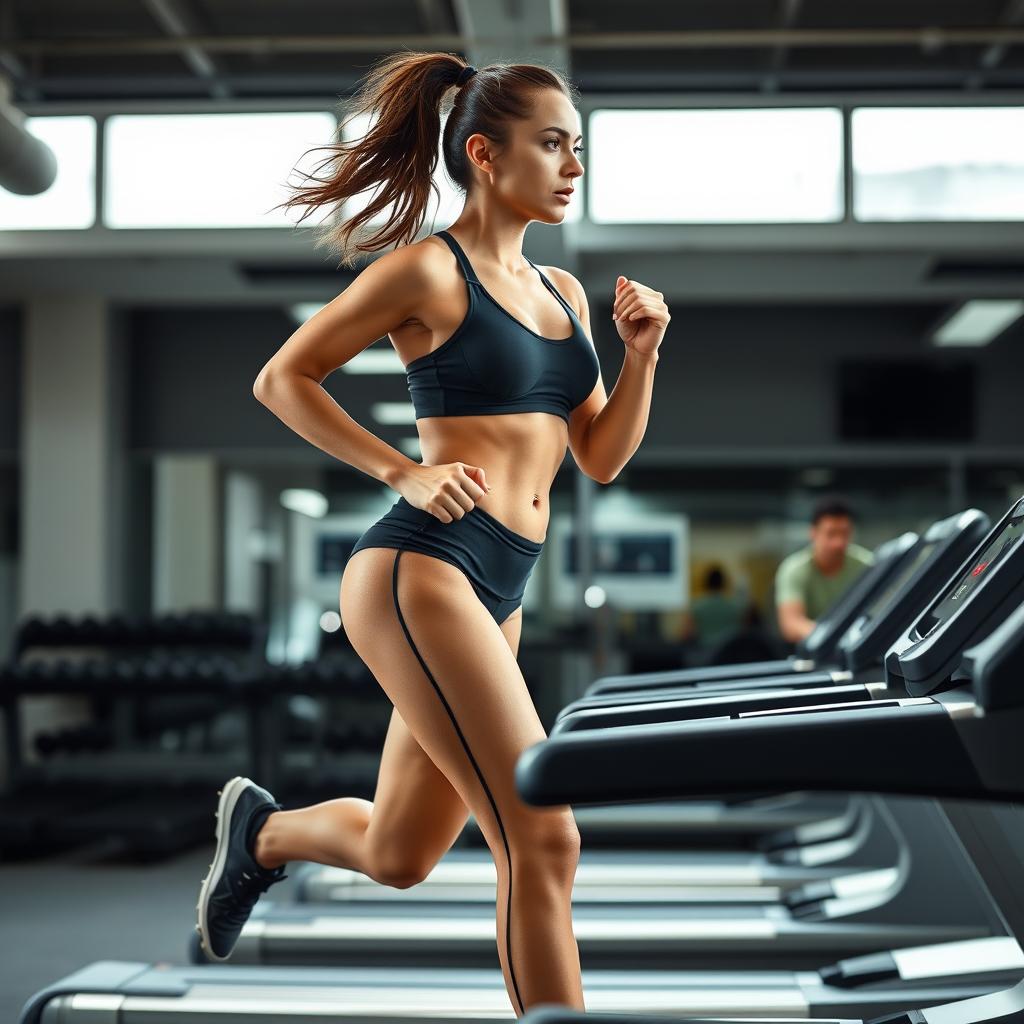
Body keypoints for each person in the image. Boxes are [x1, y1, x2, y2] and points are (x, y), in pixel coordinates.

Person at [194, 52, 670, 1016]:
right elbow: (284, 378)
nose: (573, 165)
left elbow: (602, 458)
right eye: (552, 145)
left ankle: (264, 838)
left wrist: (641, 357)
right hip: (425, 571)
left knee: (404, 853)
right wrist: (400, 468)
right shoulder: (426, 269)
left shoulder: (566, 294)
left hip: (504, 588)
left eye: (578, 147)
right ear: (487, 156)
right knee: (544, 836)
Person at [774, 494, 874, 644]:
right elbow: (791, 625)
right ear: (813, 533)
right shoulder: (794, 569)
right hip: (814, 651)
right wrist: (833, 636)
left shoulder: (867, 564)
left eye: (844, 534)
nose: (838, 543)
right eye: (831, 534)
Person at [682, 565, 746, 652]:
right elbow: (743, 632)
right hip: (730, 653)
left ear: (706, 583)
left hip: (706, 654)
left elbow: (686, 634)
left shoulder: (697, 606)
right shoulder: (735, 606)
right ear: (723, 583)